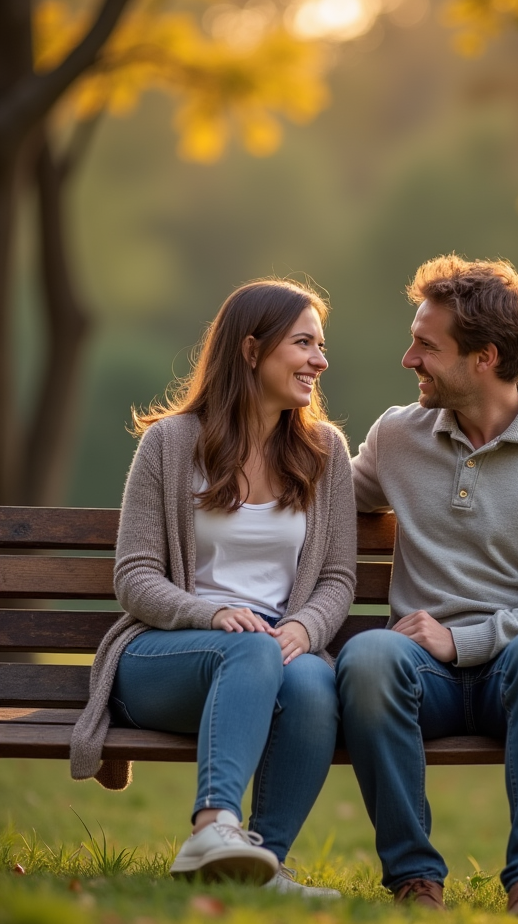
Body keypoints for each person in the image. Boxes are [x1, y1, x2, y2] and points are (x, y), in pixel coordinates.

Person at [336, 256, 518, 917]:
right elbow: (320, 498)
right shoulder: (397, 435)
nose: (410, 359)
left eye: (427, 346)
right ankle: (414, 880)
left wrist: (462, 640)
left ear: (485, 358)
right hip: (421, 679)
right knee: (368, 656)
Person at [70, 279, 356, 895]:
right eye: (303, 343)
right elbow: (135, 576)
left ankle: (261, 865)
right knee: (253, 648)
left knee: (313, 679)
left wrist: (306, 628)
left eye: (321, 345)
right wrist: (211, 612)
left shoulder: (323, 451)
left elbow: (337, 577)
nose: (319, 360)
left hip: (277, 652)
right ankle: (213, 823)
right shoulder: (170, 444)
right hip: (168, 655)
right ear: (251, 350)